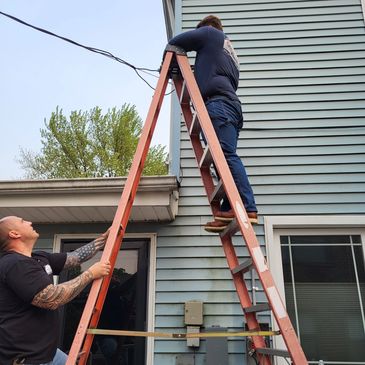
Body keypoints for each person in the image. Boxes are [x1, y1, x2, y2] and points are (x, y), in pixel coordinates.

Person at [167, 15, 258, 232]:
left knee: (225, 156)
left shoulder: (210, 33)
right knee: (222, 159)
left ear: (206, 29)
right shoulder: (228, 53)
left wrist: (167, 60)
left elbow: (176, 42)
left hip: (219, 104)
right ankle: (229, 208)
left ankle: (247, 206)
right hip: (230, 107)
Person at [0, 215, 111, 365]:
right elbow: (51, 299)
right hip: (26, 358)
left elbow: (76, 257)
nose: (29, 222)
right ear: (14, 234)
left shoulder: (38, 258)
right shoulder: (14, 264)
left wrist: (104, 240)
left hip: (48, 353)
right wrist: (90, 274)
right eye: (22, 221)